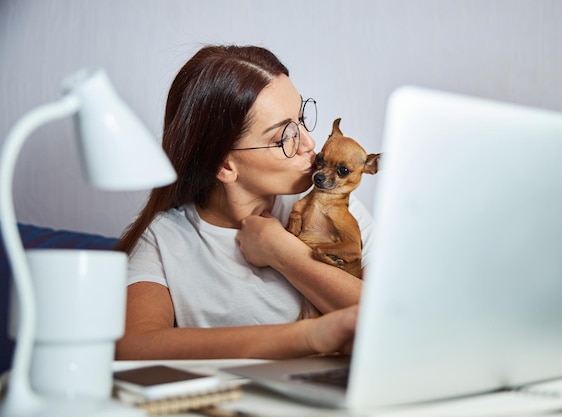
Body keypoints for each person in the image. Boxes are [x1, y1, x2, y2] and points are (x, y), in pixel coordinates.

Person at [114, 45, 375, 360]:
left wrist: (287, 254)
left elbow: (395, 318)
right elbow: (134, 348)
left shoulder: (330, 205)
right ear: (224, 166)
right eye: (285, 136)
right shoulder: (163, 240)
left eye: (302, 119)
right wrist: (306, 337)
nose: (310, 144)